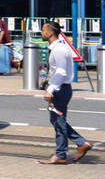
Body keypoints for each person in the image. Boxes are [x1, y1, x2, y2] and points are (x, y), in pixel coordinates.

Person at [39, 21, 93, 164]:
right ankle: (79, 144)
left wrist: (50, 89)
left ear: (50, 32)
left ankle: (62, 154)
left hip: (60, 89)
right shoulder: (57, 48)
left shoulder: (59, 50)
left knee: (58, 121)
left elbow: (61, 72)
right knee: (56, 120)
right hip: (59, 88)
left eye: (43, 30)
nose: (42, 33)